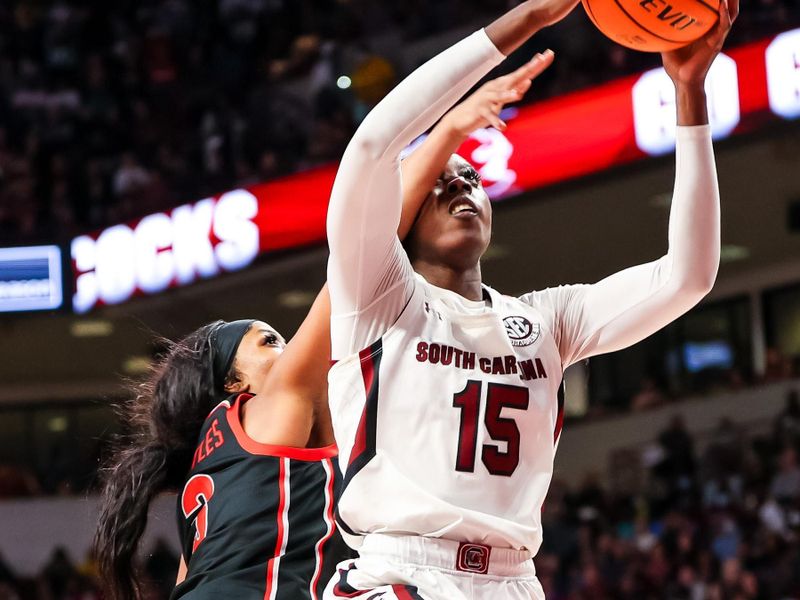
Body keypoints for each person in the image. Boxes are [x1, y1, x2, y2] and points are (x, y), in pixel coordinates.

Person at [324, 0, 737, 597]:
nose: (459, 185)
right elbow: (371, 148)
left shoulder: (544, 320)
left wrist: (690, 93)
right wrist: (522, 23)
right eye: (441, 181)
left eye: (469, 179)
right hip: (399, 571)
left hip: (513, 581)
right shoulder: (378, 294)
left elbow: (689, 276)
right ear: (404, 217)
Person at [90, 76, 524, 600]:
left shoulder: (209, 480)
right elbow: (360, 259)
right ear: (235, 383)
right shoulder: (270, 403)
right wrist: (448, 132)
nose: (289, 348)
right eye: (269, 343)